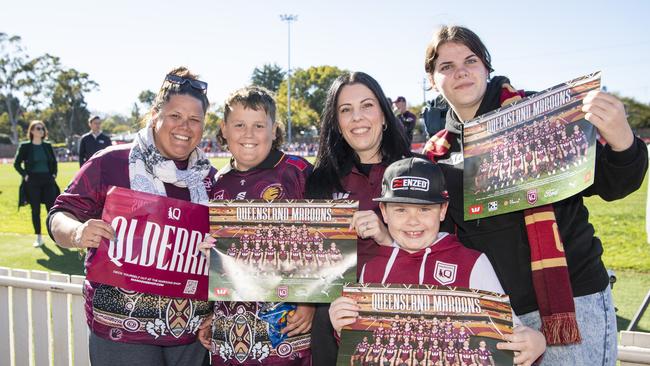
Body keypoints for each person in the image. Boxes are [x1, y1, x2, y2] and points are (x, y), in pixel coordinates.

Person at [421, 25, 648, 365]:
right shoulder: (435, 154)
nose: (461, 71)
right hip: (491, 313)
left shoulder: (540, 113)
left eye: (470, 60)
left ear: (487, 67)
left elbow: (614, 184)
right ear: (432, 79)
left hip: (570, 302)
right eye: (446, 66)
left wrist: (621, 140)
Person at [47, 67, 216, 366]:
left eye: (194, 120)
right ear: (155, 115)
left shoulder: (210, 179)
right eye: (175, 116)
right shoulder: (111, 162)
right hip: (122, 331)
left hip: (189, 332)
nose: (185, 127)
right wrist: (76, 232)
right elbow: (59, 214)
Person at [330, 157, 546, 366]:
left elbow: (511, 336)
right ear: (384, 213)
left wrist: (535, 342)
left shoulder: (472, 264)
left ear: (442, 210)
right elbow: (363, 348)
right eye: (400, 209)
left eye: (425, 209)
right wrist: (342, 329)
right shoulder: (372, 271)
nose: (413, 221)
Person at [197, 86, 314, 365]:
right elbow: (219, 259)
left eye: (259, 125)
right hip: (232, 327)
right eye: (239, 125)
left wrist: (310, 303)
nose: (248, 134)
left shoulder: (298, 172)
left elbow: (322, 240)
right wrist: (213, 311)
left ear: (274, 130)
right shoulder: (216, 183)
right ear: (224, 129)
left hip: (285, 325)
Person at [305, 71, 412, 366]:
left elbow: (440, 253)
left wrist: (387, 237)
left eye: (367, 105)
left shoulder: (415, 172)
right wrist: (226, 246)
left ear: (384, 114)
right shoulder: (319, 181)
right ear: (337, 124)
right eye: (346, 110)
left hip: (399, 317)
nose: (357, 117)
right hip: (333, 318)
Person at [14, 120, 59, 247]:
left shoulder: (47, 146)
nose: (41, 131)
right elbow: (16, 164)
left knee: (51, 209)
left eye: (42, 129)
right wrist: (25, 175)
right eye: (38, 128)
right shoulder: (25, 146)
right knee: (35, 210)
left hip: (48, 180)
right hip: (32, 181)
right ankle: (38, 237)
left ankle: (55, 236)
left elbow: (54, 163)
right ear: (32, 131)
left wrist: (54, 174)